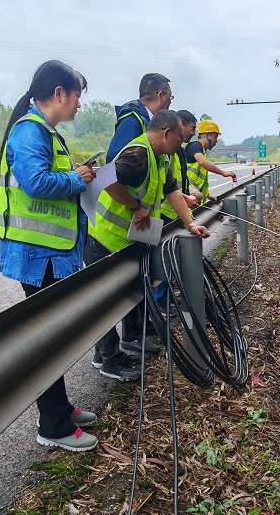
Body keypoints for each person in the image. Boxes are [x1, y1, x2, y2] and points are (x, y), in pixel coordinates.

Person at [0, 60, 99, 452]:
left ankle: (61, 409)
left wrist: (78, 174)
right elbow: (36, 183)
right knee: (47, 339)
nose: (78, 105)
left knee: (54, 335)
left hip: (51, 253)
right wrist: (76, 178)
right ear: (58, 94)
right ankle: (52, 425)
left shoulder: (46, 133)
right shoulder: (31, 132)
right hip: (37, 256)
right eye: (76, 97)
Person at [85, 110, 209, 381]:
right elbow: (106, 180)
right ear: (166, 133)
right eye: (180, 136)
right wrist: (136, 206)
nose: (183, 141)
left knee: (130, 292)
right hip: (104, 239)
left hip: (129, 240)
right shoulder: (138, 155)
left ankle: (130, 338)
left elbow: (172, 192)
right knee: (104, 304)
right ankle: (107, 359)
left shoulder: (162, 158)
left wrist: (190, 224)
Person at [107, 73, 173, 161]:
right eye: (170, 96)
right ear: (160, 95)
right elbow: (114, 163)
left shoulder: (148, 121)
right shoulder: (131, 122)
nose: (170, 101)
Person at [160, 110, 200, 224]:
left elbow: (170, 182)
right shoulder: (142, 150)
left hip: (174, 210)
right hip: (163, 211)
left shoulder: (179, 151)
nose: (193, 133)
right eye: (191, 128)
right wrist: (136, 207)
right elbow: (105, 178)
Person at [185, 119, 236, 204]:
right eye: (215, 137)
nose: (216, 141)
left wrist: (208, 195)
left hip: (194, 198)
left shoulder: (202, 151)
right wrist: (223, 173)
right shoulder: (194, 146)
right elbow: (203, 162)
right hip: (189, 195)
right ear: (207, 135)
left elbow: (200, 180)